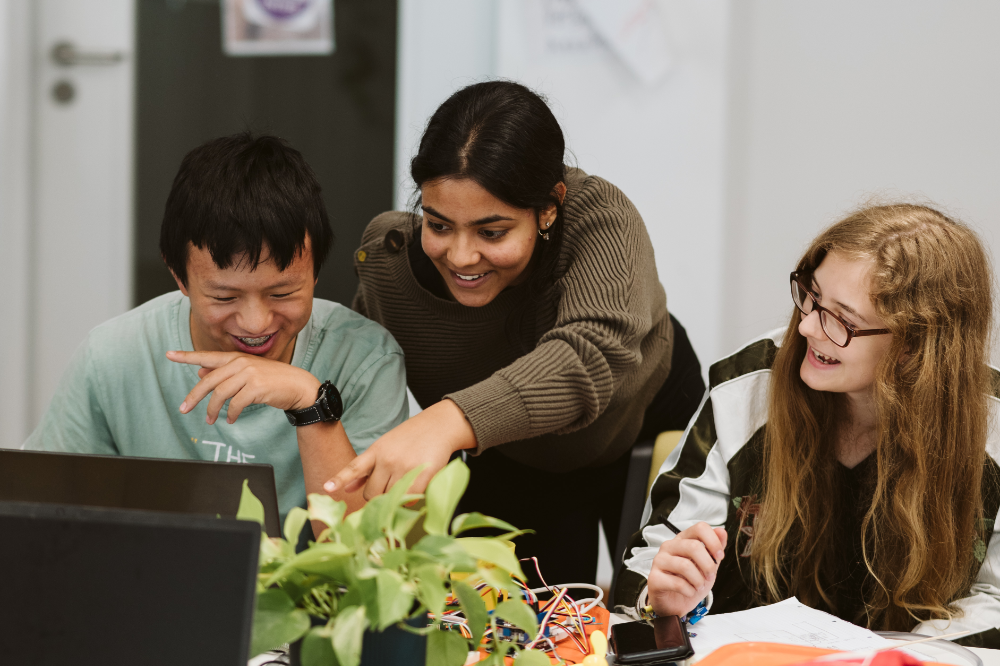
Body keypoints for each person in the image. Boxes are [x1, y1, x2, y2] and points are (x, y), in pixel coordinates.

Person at [326, 80, 706, 585]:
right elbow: (362, 378)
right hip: (509, 453)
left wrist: (446, 421)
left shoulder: (600, 221)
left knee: (666, 611)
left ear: (548, 208)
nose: (461, 257)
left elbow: (588, 357)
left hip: (643, 421)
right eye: (438, 225)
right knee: (528, 627)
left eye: (492, 232)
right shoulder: (390, 264)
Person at [615, 203, 1000, 644]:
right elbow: (649, 564)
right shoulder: (748, 387)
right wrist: (661, 597)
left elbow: (995, 599)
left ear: (915, 345)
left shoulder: (990, 425)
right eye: (810, 296)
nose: (807, 328)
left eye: (842, 320)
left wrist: (887, 656)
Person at [24, 132, 408, 518]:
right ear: (178, 276)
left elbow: (369, 553)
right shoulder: (112, 357)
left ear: (315, 273)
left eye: (282, 293)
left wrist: (310, 402)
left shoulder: (366, 361)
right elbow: (40, 514)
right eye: (225, 298)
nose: (256, 322)